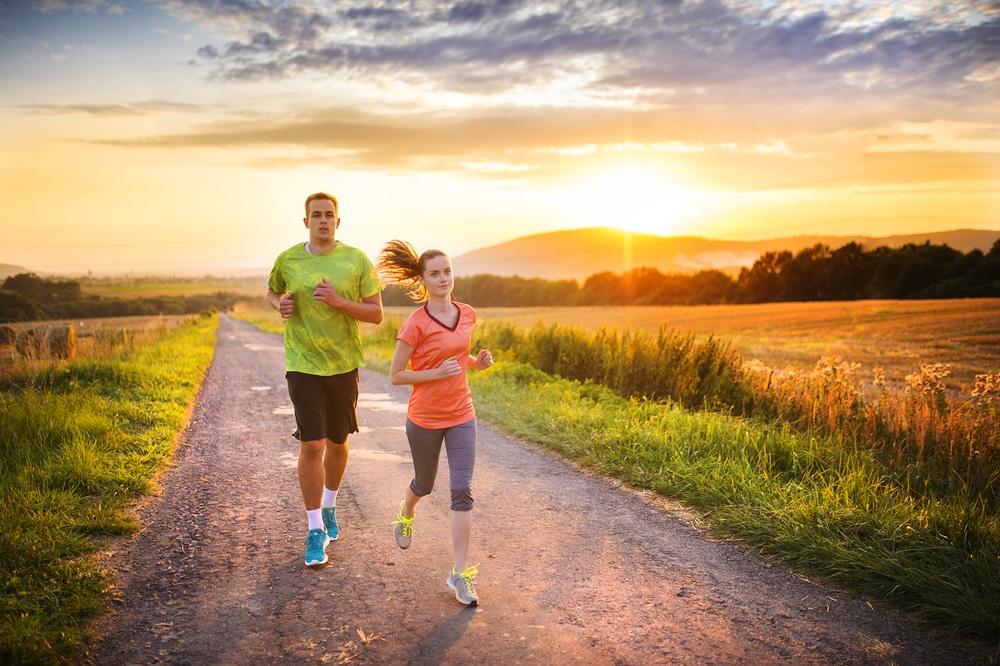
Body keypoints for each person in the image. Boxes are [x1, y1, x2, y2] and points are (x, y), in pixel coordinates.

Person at [267, 192, 383, 567]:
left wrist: (338, 302)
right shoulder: (288, 259)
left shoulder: (356, 260)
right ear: (306, 222)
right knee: (313, 444)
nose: (322, 220)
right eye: (315, 215)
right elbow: (272, 291)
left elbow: (376, 314)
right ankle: (314, 528)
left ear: (337, 221)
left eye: (329, 215)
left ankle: (330, 505)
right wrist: (279, 304)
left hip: (343, 364)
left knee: (337, 442)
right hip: (303, 364)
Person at [376, 240, 494, 606]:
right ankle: (405, 511)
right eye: (435, 274)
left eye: (447, 271)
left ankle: (459, 574)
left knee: (461, 490)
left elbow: (459, 355)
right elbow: (396, 375)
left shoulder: (467, 313)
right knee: (424, 485)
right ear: (423, 280)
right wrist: (434, 372)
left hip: (462, 415)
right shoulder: (415, 324)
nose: (443, 278)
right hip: (424, 419)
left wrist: (477, 362)